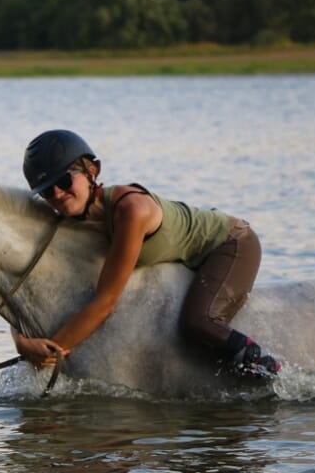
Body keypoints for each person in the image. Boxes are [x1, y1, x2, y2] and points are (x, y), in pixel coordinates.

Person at [14, 129, 279, 378]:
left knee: (199, 322)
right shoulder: (68, 221)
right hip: (186, 257)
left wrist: (51, 351)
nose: (58, 194)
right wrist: (22, 343)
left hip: (230, 243)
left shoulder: (131, 210)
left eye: (63, 181)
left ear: (92, 170)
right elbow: (23, 285)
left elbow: (105, 302)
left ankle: (271, 370)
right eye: (47, 191)